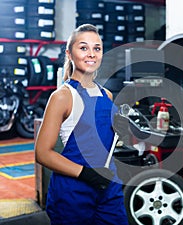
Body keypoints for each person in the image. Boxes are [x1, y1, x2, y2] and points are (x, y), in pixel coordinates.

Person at [35, 24, 129, 225]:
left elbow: (106, 143)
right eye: (83, 48)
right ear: (69, 53)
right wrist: (87, 174)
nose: (91, 54)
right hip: (73, 192)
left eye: (97, 48)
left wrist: (123, 131)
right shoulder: (62, 96)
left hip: (108, 188)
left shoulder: (107, 95)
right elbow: (42, 153)